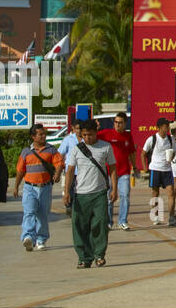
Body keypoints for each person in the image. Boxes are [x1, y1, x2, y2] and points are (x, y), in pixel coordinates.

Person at [62, 118, 117, 268]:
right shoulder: (76, 149)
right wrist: (66, 192)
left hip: (99, 193)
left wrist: (114, 189)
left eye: (90, 135)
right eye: (84, 135)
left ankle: (99, 255)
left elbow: (112, 168)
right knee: (79, 226)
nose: (87, 138)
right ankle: (84, 257)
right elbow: (70, 171)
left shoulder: (106, 147)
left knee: (100, 224)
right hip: (80, 194)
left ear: (96, 133)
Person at [15, 123, 62, 251]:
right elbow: (20, 170)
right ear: (33, 137)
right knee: (29, 212)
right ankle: (28, 237)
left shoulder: (51, 150)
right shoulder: (26, 152)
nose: (43, 136)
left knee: (42, 214)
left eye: (44, 134)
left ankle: (41, 239)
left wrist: (57, 174)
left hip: (45, 187)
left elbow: (59, 163)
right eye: (40, 134)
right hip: (29, 188)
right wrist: (16, 186)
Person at [97, 112, 136, 230]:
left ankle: (122, 221)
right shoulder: (105, 134)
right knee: (109, 197)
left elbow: (132, 152)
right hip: (108, 172)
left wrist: (135, 167)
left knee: (125, 195)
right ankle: (109, 222)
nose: (118, 125)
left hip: (124, 172)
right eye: (116, 122)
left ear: (125, 123)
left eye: (120, 123)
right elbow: (91, 137)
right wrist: (95, 128)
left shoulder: (128, 136)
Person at [142, 117, 175, 225]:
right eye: (166, 127)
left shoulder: (171, 139)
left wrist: (171, 156)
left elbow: (174, 152)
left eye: (168, 127)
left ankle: (171, 217)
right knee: (155, 193)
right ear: (160, 128)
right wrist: (145, 168)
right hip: (155, 169)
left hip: (167, 169)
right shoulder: (152, 139)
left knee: (171, 192)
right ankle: (155, 216)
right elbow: (143, 154)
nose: (168, 129)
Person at [57, 120, 81, 210]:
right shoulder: (68, 139)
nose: (79, 131)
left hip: (83, 172)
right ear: (73, 128)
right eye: (77, 129)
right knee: (70, 191)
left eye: (80, 129)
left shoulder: (86, 139)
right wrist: (59, 170)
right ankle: (69, 207)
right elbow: (60, 154)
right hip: (71, 171)